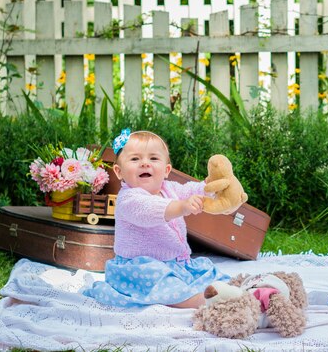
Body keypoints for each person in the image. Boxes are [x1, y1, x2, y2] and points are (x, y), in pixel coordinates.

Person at [84, 129, 229, 308]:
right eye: (135, 159)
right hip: (139, 268)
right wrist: (183, 206)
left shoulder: (170, 188)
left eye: (153, 158)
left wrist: (208, 187)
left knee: (206, 271)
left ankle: (229, 290)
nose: (145, 163)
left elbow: (190, 190)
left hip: (176, 262)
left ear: (166, 170)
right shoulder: (128, 198)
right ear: (119, 171)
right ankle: (198, 301)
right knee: (161, 281)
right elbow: (151, 211)